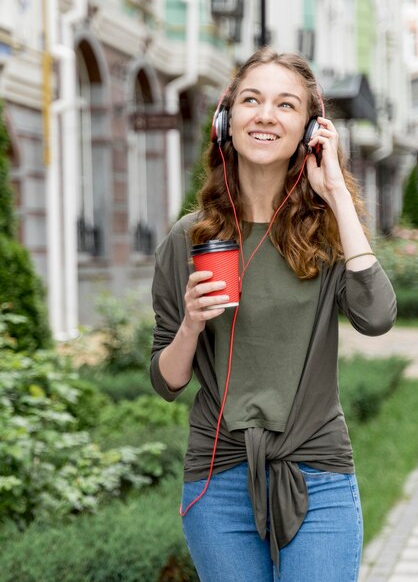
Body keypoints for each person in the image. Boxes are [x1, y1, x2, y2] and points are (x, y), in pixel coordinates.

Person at [149, 47, 396, 582]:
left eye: (286, 105)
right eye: (251, 100)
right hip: (219, 480)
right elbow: (167, 381)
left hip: (318, 473)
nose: (265, 114)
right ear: (226, 120)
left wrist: (335, 195)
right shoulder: (189, 239)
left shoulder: (328, 234)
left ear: (309, 133)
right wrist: (191, 323)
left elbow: (377, 317)